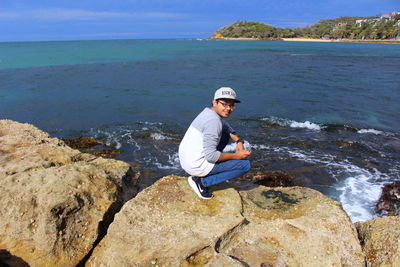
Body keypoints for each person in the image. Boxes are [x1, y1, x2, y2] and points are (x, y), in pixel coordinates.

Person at [179, 87, 251, 199]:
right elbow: (211, 156)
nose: (228, 108)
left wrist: (238, 141)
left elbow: (225, 126)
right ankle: (202, 182)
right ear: (215, 102)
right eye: (224, 104)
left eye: (231, 105)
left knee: (225, 134)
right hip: (196, 165)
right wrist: (237, 155)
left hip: (187, 159)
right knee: (245, 165)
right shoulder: (213, 122)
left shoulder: (208, 112)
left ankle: (211, 171)